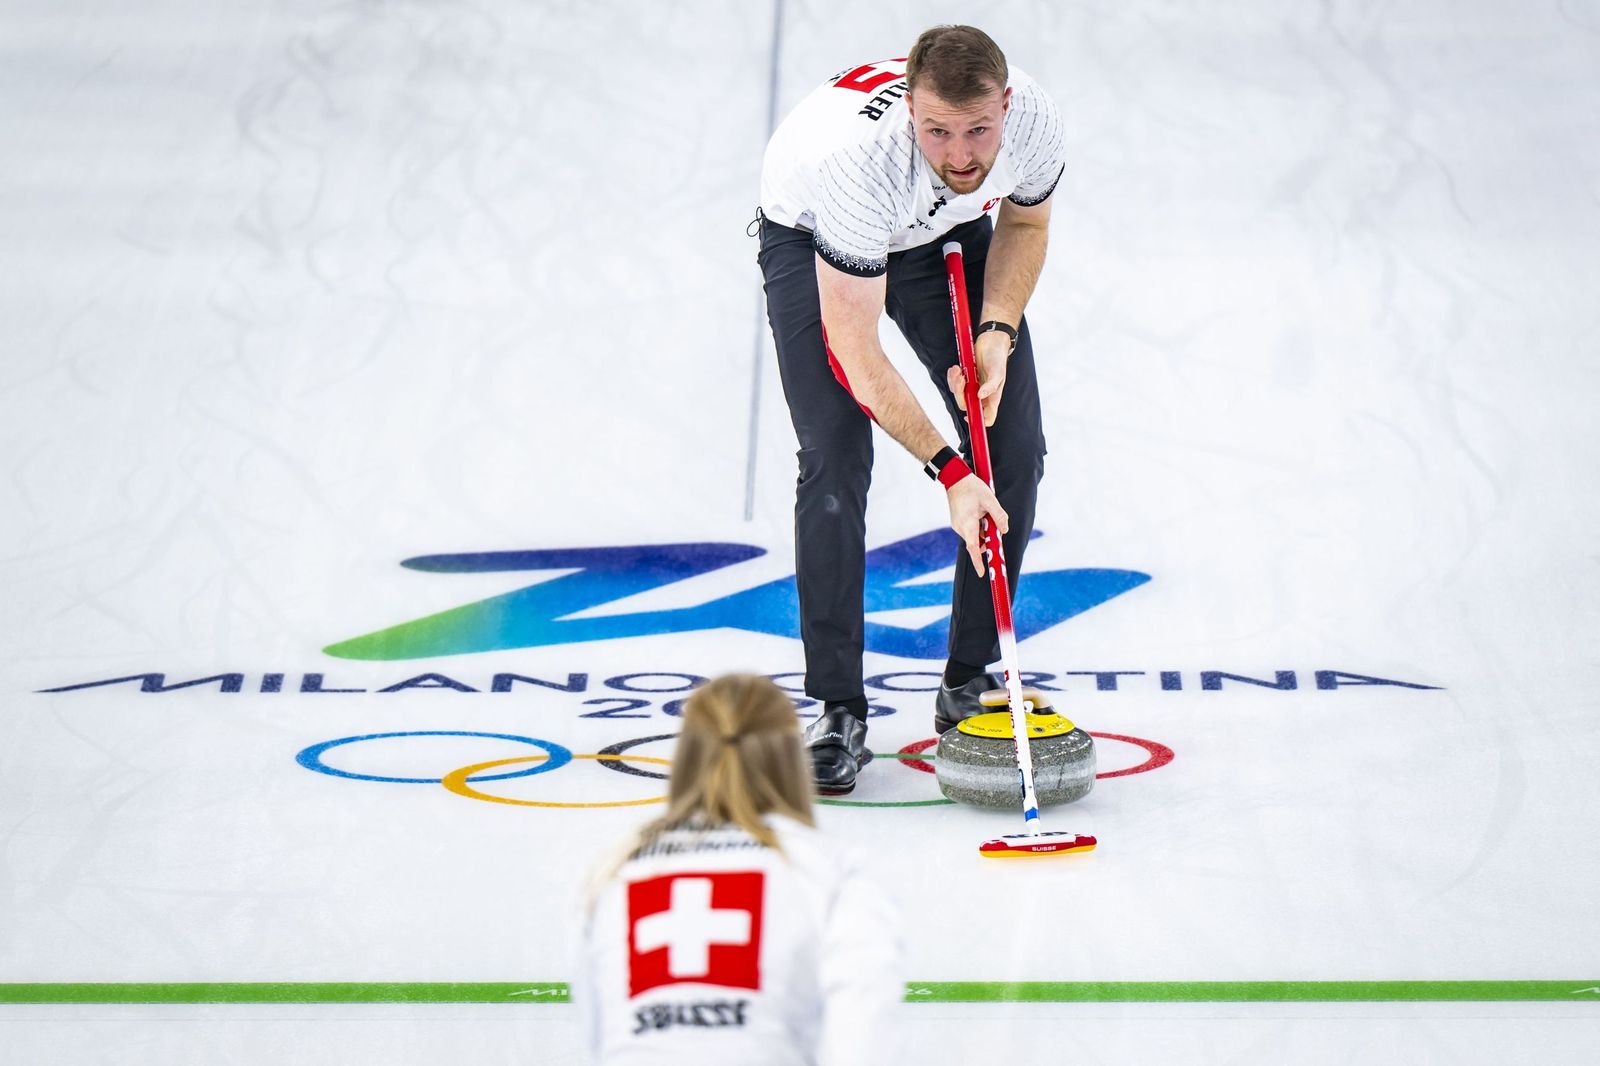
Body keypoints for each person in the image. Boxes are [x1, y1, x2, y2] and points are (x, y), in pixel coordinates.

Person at [756, 25, 1064, 793]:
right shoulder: (857, 169)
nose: (962, 155)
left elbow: (1024, 222)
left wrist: (995, 333)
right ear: (909, 118)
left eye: (978, 131)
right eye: (937, 132)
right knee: (834, 453)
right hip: (815, 236)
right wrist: (950, 471)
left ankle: (966, 679)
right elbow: (857, 353)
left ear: (1008, 106)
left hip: (946, 232)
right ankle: (839, 708)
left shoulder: (1036, 123)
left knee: (1014, 442)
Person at [575, 673, 901, 1065]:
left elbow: (597, 1031)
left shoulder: (613, 868)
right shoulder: (830, 868)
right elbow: (863, 1032)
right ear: (789, 758)